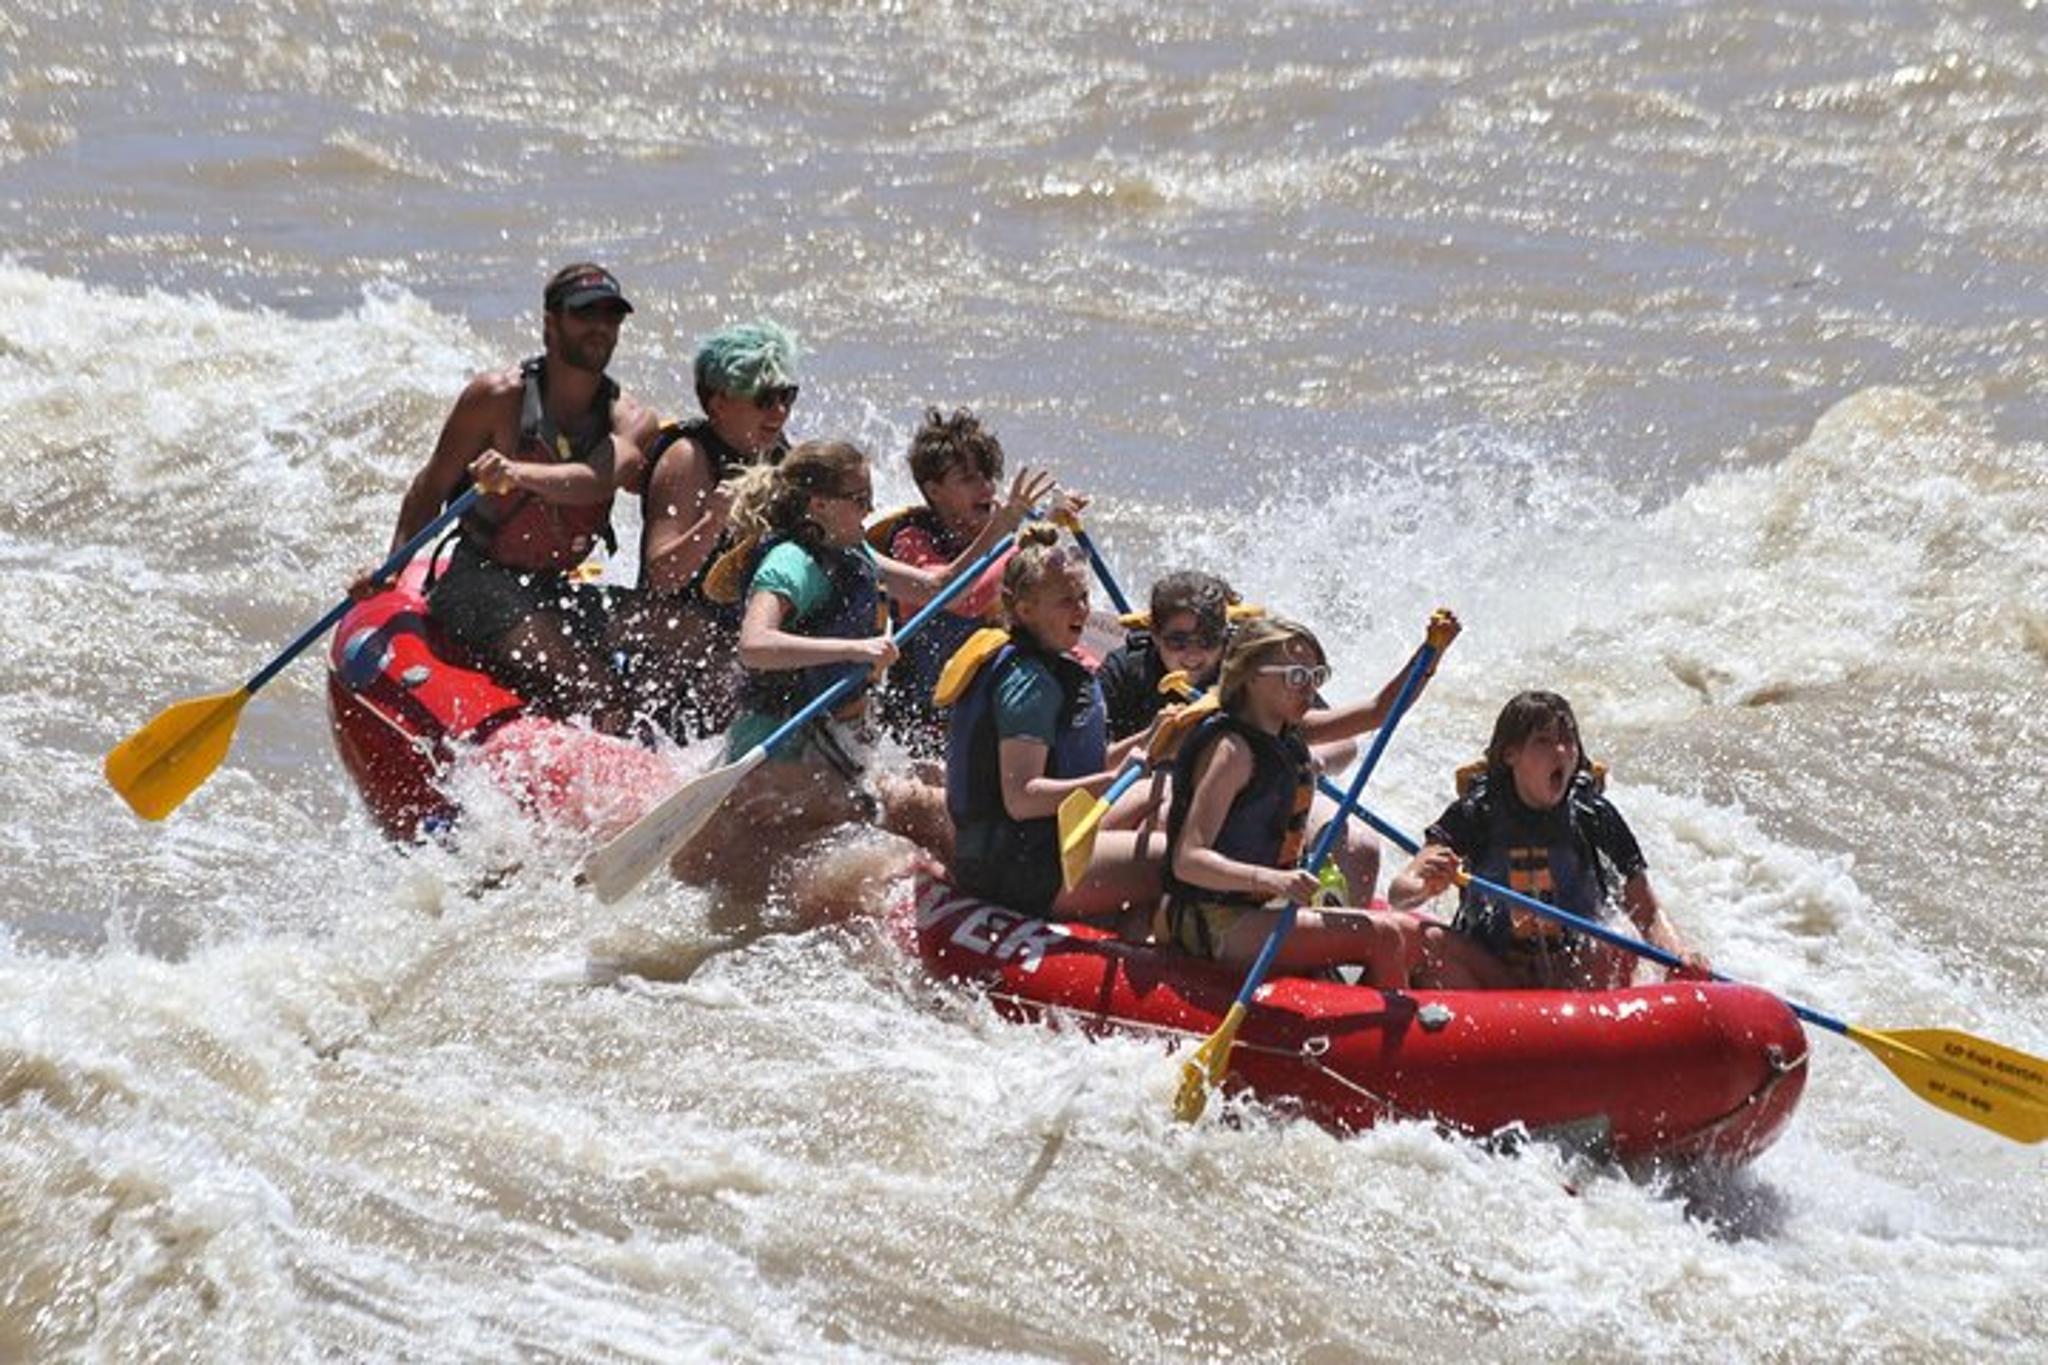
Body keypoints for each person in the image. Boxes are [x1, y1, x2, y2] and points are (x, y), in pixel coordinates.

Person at [698, 440, 1054, 842]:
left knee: (939, 789)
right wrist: (856, 650)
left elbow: (942, 588)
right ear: (819, 506)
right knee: (922, 811)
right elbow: (755, 645)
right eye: (859, 499)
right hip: (781, 747)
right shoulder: (791, 562)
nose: (870, 510)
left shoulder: (854, 551)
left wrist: (1004, 524)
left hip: (833, 741)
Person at [354, 262, 657, 733]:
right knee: (597, 689)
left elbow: (599, 479)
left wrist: (517, 472)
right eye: (584, 314)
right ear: (550, 323)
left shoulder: (632, 418)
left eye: (611, 316)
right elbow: (429, 487)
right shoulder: (495, 398)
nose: (600, 326)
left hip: (556, 587)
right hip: (476, 583)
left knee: (684, 637)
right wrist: (392, 569)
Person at [1160, 618, 1440, 986]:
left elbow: (1378, 711)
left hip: (1261, 908)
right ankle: (1387, 1037)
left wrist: (1431, 652)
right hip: (1213, 918)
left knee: (1411, 933)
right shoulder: (1231, 751)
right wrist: (1274, 880)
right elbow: (1188, 861)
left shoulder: (1289, 732)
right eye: (1296, 677)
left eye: (1316, 676)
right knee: (1383, 935)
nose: (1309, 690)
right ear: (1252, 675)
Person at [1386, 690, 1710, 990]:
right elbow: (1400, 893)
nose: (1560, 752)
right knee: (1423, 938)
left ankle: (1595, 1029)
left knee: (1616, 940)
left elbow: (1646, 911)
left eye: (1568, 742)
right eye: (1543, 741)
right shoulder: (1475, 812)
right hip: (1492, 969)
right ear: (1510, 754)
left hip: (1574, 971)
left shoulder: (1593, 814)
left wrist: (1680, 955)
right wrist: (1427, 887)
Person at [940, 524, 1165, 926]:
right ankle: (1160, 945)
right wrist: (1120, 777)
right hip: (1017, 867)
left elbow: (1077, 765)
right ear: (1025, 610)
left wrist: (1153, 740)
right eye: (1065, 601)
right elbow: (1022, 798)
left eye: (1083, 597)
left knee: (1165, 794)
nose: (1081, 610)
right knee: (1173, 857)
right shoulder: (1029, 685)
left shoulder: (1043, 668)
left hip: (1035, 842)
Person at [615, 320, 801, 738]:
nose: (779, 411)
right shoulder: (687, 457)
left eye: (787, 396)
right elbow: (664, 577)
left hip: (740, 626)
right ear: (718, 402)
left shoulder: (776, 451)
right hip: (678, 635)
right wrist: (713, 520)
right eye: (764, 398)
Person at [867, 407, 1019, 758]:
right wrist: (1005, 542)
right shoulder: (912, 538)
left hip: (983, 707)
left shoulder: (997, 538)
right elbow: (959, 599)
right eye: (968, 479)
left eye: (988, 476)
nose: (985, 488)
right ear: (934, 490)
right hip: (922, 720)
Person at [1096, 570, 1236, 742]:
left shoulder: (1248, 670)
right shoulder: (1122, 671)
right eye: (1178, 641)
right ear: (1154, 634)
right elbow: (1090, 763)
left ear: (1224, 636)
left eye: (1208, 640)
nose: (1193, 655)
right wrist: (1154, 738)